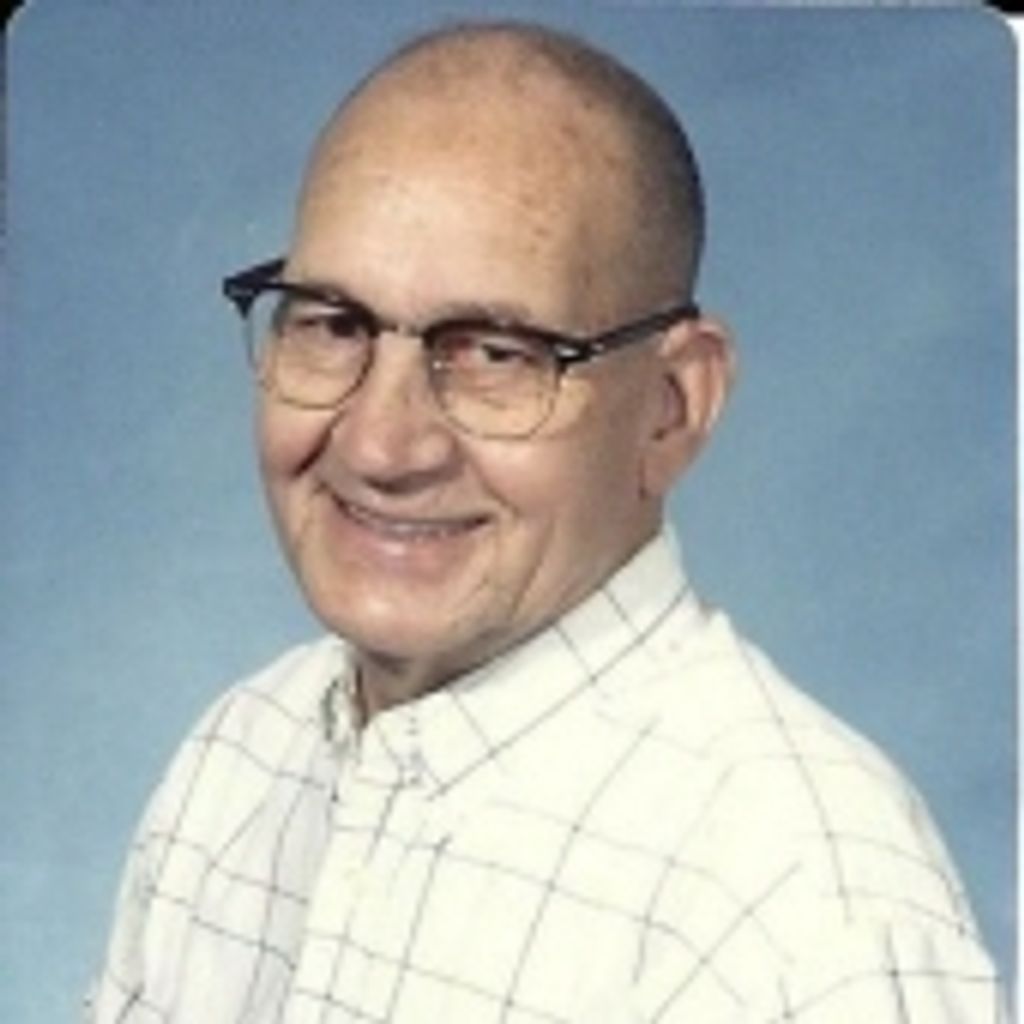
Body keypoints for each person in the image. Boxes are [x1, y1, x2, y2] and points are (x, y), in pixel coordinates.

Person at [87, 20, 1005, 1023]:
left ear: (671, 408)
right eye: (333, 324)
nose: (381, 446)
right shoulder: (238, 754)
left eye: (495, 353)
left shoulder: (805, 916)